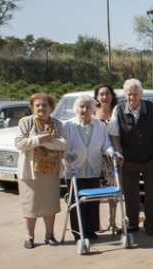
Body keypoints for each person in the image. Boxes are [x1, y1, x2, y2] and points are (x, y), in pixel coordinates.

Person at [63, 94, 120, 241]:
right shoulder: (69, 125)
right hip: (75, 168)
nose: (84, 109)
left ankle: (90, 230)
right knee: (77, 201)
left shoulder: (99, 125)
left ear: (93, 109)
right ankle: (78, 232)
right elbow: (64, 146)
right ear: (77, 108)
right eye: (82, 106)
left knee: (92, 200)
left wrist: (111, 152)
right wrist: (67, 153)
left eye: (88, 107)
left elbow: (105, 144)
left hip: (93, 167)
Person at [15, 93, 68, 249]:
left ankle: (49, 235)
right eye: (37, 105)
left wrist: (48, 142)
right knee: (30, 205)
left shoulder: (57, 124)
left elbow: (64, 144)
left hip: (51, 171)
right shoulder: (25, 122)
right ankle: (29, 237)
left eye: (44, 105)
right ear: (32, 107)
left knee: (49, 204)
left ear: (50, 107)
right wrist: (39, 140)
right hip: (30, 172)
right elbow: (19, 143)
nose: (41, 108)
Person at [109, 79, 153, 236]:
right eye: (129, 94)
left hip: (150, 157)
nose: (132, 97)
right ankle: (132, 223)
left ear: (141, 94)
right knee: (130, 193)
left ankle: (151, 224)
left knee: (151, 192)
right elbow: (115, 134)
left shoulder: (151, 108)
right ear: (125, 95)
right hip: (128, 158)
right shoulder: (118, 110)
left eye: (135, 93)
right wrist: (118, 153)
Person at [93, 83, 119, 231]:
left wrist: (117, 153)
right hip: (96, 158)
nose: (105, 97)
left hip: (113, 157)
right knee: (96, 191)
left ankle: (113, 221)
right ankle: (96, 223)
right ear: (97, 97)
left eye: (107, 93)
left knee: (112, 192)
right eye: (101, 94)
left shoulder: (117, 111)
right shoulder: (92, 112)